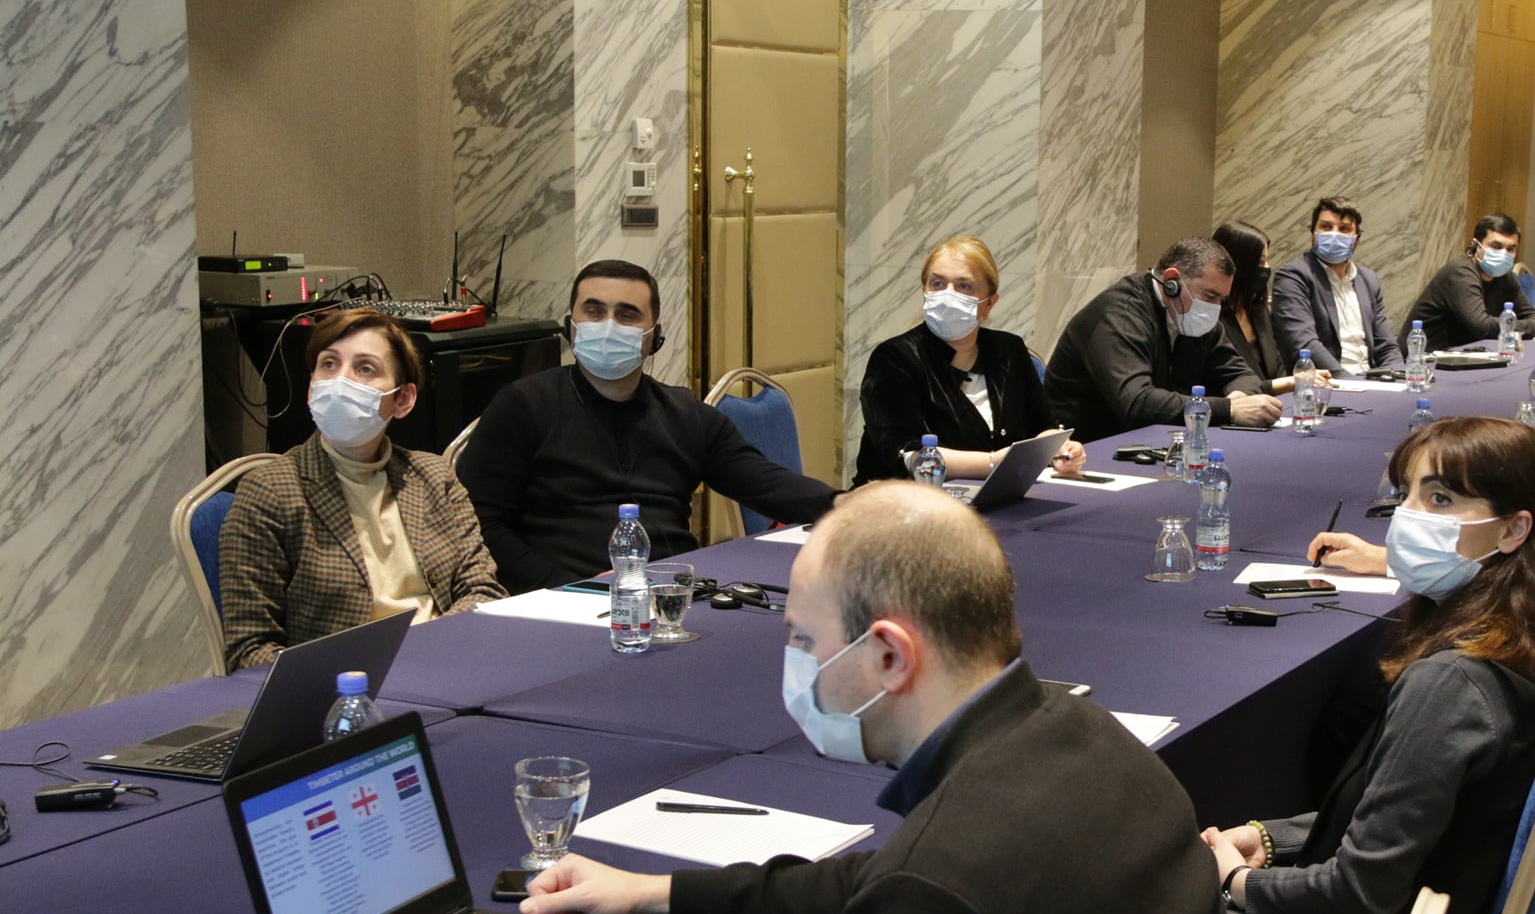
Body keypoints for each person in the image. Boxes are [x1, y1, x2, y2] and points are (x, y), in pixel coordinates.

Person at [521, 483, 1262, 914]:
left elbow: (921, 893)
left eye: (802, 640)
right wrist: (653, 895)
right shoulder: (1093, 740)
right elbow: (882, 884)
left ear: (888, 655)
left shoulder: (941, 887)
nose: (795, 664)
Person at [1212, 417, 1535, 914]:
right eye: (1407, 494)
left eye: (1441, 499)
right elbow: (1405, 815)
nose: (1409, 516)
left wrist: (1238, 884)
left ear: (1514, 530)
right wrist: (1271, 837)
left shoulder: (1452, 682)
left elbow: (1356, 893)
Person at [457, 259, 839, 593]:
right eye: (594, 311)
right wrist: (568, 586)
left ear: (654, 336)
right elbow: (479, 526)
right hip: (561, 600)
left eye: (626, 315)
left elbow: (765, 483)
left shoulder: (685, 414)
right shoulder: (523, 405)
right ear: (570, 325)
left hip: (674, 596)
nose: (608, 326)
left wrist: (845, 503)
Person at [219, 309, 504, 670]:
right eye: (329, 364)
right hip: (342, 685)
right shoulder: (271, 490)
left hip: (443, 663)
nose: (341, 380)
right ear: (311, 388)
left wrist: (429, 655)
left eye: (365, 369)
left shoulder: (433, 476)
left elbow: (482, 590)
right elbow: (249, 648)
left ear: (403, 400)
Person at [854, 236, 1083, 484]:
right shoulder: (894, 358)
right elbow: (907, 456)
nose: (947, 295)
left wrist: (1060, 449)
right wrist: (994, 463)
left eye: (964, 286)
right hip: (904, 498)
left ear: (989, 303)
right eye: (937, 283)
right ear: (924, 291)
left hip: (1000, 496)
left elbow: (1044, 427)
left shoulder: (1010, 350)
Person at [1042, 237, 1281, 441]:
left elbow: (1242, 375)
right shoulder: (1121, 314)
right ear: (1171, 282)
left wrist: (1240, 397)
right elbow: (1137, 402)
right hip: (1088, 450)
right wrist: (1228, 410)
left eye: (1222, 300)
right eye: (1210, 296)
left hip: (1152, 443)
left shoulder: (1195, 316)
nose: (1215, 308)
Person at [1270, 196, 1401, 373]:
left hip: (1371, 379)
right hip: (1328, 381)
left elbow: (1386, 344)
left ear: (1356, 240)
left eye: (1344, 229)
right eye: (1326, 227)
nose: (1334, 234)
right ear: (1312, 234)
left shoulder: (1368, 280)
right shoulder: (1293, 276)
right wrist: (1348, 381)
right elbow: (1304, 342)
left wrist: (1398, 376)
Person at [1404, 214, 1535, 351]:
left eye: (1510, 248)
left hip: (1465, 355)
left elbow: (1530, 315)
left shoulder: (1505, 276)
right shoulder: (1460, 273)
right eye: (1496, 246)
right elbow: (1481, 326)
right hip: (1423, 360)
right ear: (1476, 245)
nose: (1503, 254)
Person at [1213, 218, 1333, 396]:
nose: (1267, 268)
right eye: (1261, 262)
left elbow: (1277, 369)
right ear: (1239, 263)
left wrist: (1296, 382)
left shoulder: (1258, 310)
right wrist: (1290, 382)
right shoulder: (1212, 317)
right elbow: (1225, 384)